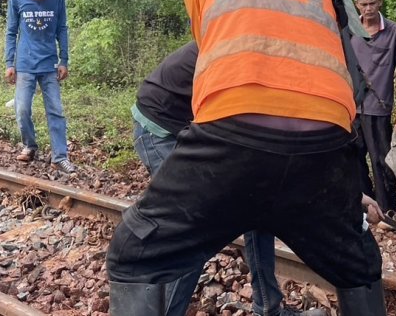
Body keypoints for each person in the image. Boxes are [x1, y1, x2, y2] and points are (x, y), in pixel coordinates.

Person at [107, 0, 387, 316]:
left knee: (135, 250)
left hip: (230, 130)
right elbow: (349, 83)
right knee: (358, 264)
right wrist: (351, 190)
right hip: (324, 143)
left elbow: (213, 55)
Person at [131, 41, 326, 316]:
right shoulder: (248, 58)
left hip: (194, 123)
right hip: (160, 128)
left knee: (260, 208)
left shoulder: (276, 63)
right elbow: (240, 137)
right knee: (195, 225)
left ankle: (267, 306)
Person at [4, 0, 74, 173]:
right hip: (25, 64)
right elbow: (11, 32)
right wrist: (9, 63)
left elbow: (62, 29)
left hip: (50, 64)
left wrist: (64, 60)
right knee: (22, 109)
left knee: (56, 111)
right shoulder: (17, 0)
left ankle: (60, 156)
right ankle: (29, 145)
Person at [350, 0, 396, 214]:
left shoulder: (394, 32)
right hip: (352, 107)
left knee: (381, 162)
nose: (368, 9)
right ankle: (366, 207)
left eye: (372, 3)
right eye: (364, 4)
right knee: (353, 158)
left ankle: (387, 211)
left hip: (379, 108)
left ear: (380, 2)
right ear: (357, 5)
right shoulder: (350, 30)